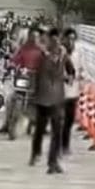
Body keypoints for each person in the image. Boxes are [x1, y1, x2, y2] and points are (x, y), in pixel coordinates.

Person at [28, 32, 70, 174]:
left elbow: (70, 71)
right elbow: (33, 74)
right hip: (43, 98)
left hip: (55, 99)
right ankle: (38, 154)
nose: (56, 49)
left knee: (55, 131)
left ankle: (51, 162)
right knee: (41, 129)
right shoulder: (41, 57)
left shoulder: (62, 56)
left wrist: (68, 77)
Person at [1, 27, 45, 136]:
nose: (34, 39)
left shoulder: (42, 51)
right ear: (28, 37)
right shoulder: (23, 49)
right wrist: (12, 65)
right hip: (24, 79)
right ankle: (7, 124)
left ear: (39, 38)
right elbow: (16, 59)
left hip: (37, 81)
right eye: (32, 36)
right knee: (11, 99)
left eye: (36, 37)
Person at [59, 28, 82, 156]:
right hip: (59, 91)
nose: (70, 41)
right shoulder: (60, 54)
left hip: (73, 92)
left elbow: (82, 69)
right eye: (68, 39)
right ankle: (60, 145)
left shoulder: (78, 53)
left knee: (69, 120)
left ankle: (65, 145)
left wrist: (83, 81)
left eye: (73, 39)